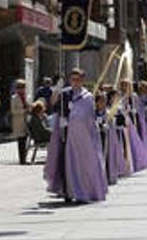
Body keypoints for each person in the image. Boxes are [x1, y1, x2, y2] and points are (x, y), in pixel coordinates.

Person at [44, 68, 107, 203]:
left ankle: (84, 189)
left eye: (78, 79)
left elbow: (90, 116)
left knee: (83, 163)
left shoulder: (87, 96)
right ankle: (68, 191)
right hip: (66, 133)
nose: (75, 82)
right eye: (72, 79)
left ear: (82, 80)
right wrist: (57, 89)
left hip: (83, 136)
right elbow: (53, 102)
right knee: (66, 162)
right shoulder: (65, 94)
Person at [10, 79, 31, 164]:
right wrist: (23, 111)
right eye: (19, 87)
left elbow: (30, 106)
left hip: (27, 121)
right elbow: (13, 111)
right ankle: (22, 159)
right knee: (21, 141)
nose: (21, 89)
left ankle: (25, 158)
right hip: (19, 121)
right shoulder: (14, 98)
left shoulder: (27, 97)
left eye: (23, 87)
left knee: (26, 141)